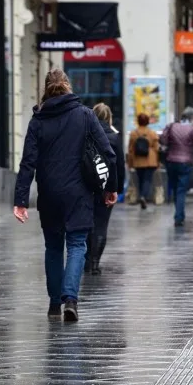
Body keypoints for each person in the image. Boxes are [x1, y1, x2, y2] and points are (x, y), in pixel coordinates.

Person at [13, 69, 118, 322]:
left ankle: (53, 304)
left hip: (49, 193)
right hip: (79, 192)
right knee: (76, 245)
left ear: (46, 89)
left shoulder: (38, 120)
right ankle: (70, 299)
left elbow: (28, 162)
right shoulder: (85, 115)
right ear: (68, 87)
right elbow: (108, 153)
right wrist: (110, 187)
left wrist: (21, 200)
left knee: (52, 247)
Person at [84, 103, 125, 275]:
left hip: (86, 185)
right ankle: (95, 263)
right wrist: (117, 188)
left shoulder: (85, 134)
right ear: (109, 118)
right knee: (101, 225)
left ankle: (86, 260)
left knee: (86, 224)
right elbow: (119, 165)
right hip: (107, 186)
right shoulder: (114, 138)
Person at [160, 106, 193, 227]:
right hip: (185, 162)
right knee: (181, 190)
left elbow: (163, 140)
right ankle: (178, 217)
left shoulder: (172, 126)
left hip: (171, 161)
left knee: (175, 188)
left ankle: (180, 214)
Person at [127, 113, 160, 209]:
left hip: (138, 160)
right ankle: (143, 197)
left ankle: (142, 196)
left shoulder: (134, 133)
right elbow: (157, 148)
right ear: (147, 122)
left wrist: (130, 163)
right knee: (147, 180)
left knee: (141, 179)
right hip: (151, 160)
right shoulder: (152, 133)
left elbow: (131, 149)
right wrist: (158, 162)